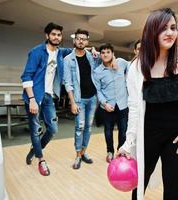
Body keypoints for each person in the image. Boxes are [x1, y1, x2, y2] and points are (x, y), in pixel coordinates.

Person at [118, 8, 178, 200]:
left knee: (175, 187)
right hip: (148, 134)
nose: (170, 33)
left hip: (177, 136)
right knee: (139, 184)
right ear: (151, 31)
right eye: (163, 28)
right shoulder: (137, 67)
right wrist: (129, 142)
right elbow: (134, 107)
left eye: (173, 28)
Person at [21, 22, 72, 176]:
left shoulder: (60, 52)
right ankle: (41, 159)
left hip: (49, 96)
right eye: (53, 34)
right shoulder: (36, 52)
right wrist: (31, 99)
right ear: (47, 35)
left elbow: (77, 50)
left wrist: (92, 51)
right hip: (34, 96)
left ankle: (35, 148)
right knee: (36, 130)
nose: (56, 37)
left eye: (59, 35)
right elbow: (26, 76)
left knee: (53, 129)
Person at [63, 29, 100, 169]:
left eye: (84, 39)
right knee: (79, 127)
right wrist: (72, 102)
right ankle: (78, 155)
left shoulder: (92, 57)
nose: (81, 41)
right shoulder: (68, 60)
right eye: (78, 38)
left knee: (88, 127)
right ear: (74, 40)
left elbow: (100, 68)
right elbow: (68, 83)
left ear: (87, 42)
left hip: (92, 97)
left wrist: (95, 51)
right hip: (78, 99)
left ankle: (84, 152)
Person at [93, 43, 129, 163]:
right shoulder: (97, 71)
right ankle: (110, 151)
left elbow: (134, 69)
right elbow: (98, 90)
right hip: (108, 106)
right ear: (100, 55)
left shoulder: (122, 63)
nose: (105, 54)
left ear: (113, 54)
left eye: (108, 52)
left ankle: (121, 151)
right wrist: (104, 103)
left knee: (123, 131)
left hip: (123, 104)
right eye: (103, 52)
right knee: (108, 132)